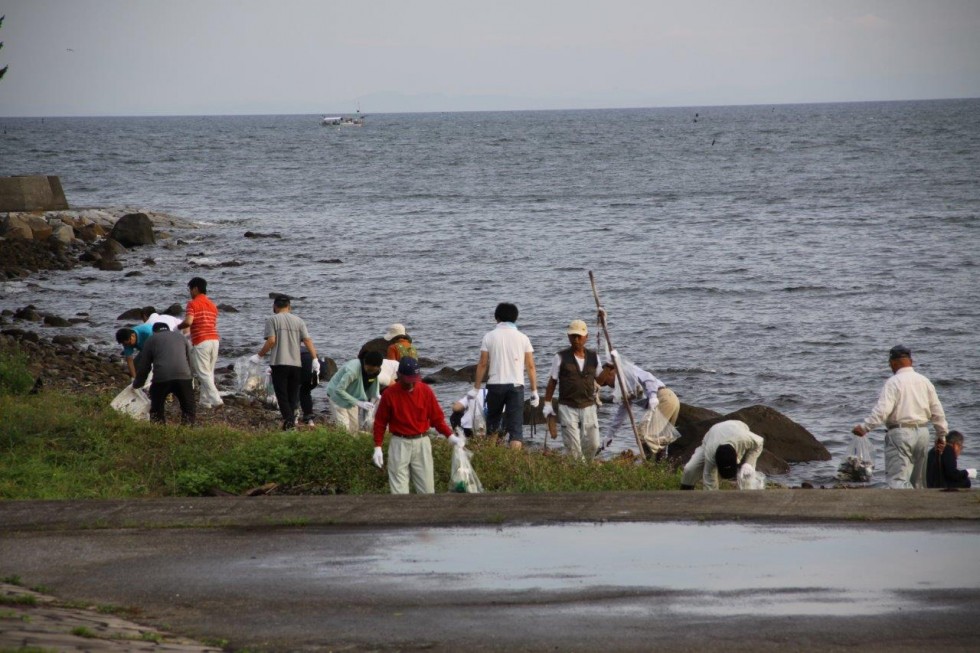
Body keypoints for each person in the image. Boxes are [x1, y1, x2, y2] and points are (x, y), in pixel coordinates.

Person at [852, 344, 948, 489]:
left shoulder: (893, 382)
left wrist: (865, 427)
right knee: (919, 481)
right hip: (923, 433)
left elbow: (883, 410)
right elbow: (937, 411)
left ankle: (901, 510)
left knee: (897, 479)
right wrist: (941, 436)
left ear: (893, 362)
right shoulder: (925, 381)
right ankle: (919, 509)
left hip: (901, 433)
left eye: (890, 363)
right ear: (911, 361)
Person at [371, 356, 464, 493]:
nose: (412, 384)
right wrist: (377, 446)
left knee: (427, 489)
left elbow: (437, 419)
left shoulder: (425, 391)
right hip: (399, 442)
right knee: (398, 490)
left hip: (422, 442)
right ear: (398, 375)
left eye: (414, 380)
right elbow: (380, 422)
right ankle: (401, 513)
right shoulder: (389, 394)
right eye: (408, 381)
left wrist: (450, 436)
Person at [472, 302, 538, 450]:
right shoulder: (523, 338)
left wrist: (476, 388)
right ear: (515, 318)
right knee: (516, 429)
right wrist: (534, 391)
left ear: (497, 317)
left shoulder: (489, 336)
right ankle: (514, 464)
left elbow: (482, 364)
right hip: (516, 386)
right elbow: (530, 366)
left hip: (494, 385)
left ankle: (491, 458)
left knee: (493, 425)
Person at [251, 295, 319, 431]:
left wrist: (259, 356)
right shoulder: (299, 321)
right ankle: (292, 420)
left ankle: (289, 424)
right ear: (289, 307)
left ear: (275, 307)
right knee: (293, 394)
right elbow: (307, 341)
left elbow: (271, 341)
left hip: (279, 363)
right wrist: (315, 359)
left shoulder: (272, 320)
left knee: (282, 395)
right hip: (296, 363)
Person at [541, 319, 603, 461]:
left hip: (588, 406)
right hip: (567, 407)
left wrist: (611, 366)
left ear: (586, 337)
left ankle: (586, 467)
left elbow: (600, 380)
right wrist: (548, 404)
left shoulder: (594, 357)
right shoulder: (561, 357)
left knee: (594, 444)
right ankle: (578, 471)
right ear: (568, 337)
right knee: (573, 448)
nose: (576, 339)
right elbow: (552, 381)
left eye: (579, 336)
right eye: (573, 336)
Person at [598, 354, 680, 459]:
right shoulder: (623, 388)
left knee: (642, 435)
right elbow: (622, 412)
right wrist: (610, 435)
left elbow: (648, 378)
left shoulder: (628, 372)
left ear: (612, 371)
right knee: (660, 439)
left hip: (663, 398)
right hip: (669, 399)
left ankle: (649, 464)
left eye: (606, 381)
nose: (609, 385)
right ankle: (659, 466)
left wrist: (652, 396)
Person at [132, 323, 195, 425]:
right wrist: (191, 377)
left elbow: (145, 366)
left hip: (161, 378)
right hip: (183, 376)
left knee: (156, 408)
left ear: (154, 331)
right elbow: (190, 359)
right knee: (188, 407)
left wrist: (138, 383)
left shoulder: (151, 340)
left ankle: (159, 430)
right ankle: (186, 430)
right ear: (168, 329)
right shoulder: (181, 337)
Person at [177, 277, 224, 409]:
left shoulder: (193, 304)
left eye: (190, 289)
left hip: (201, 340)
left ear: (195, 288)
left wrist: (178, 327)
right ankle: (205, 401)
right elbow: (213, 323)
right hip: (214, 340)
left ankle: (216, 400)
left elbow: (188, 322)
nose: (189, 292)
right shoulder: (212, 305)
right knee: (209, 371)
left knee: (203, 372)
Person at [680, 420, 764, 490]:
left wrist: (748, 463)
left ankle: (747, 497)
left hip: (737, 427)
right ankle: (685, 494)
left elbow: (760, 442)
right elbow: (709, 482)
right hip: (712, 437)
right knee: (690, 469)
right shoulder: (710, 455)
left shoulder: (744, 439)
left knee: (746, 474)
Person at [325, 350, 383, 433]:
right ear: (364, 364)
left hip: (352, 395)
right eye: (369, 370)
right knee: (344, 427)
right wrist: (358, 403)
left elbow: (373, 382)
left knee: (354, 427)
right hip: (336, 396)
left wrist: (376, 394)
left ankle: (352, 443)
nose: (370, 373)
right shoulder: (352, 371)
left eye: (373, 371)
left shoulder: (376, 371)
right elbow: (339, 390)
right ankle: (342, 444)